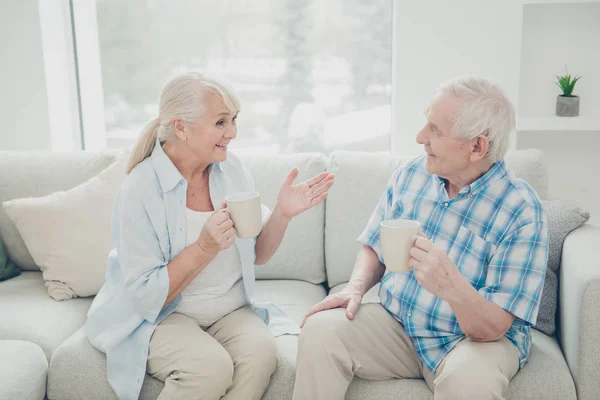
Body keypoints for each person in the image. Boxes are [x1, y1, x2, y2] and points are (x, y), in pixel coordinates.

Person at [293, 75, 548, 400]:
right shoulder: (412, 174)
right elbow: (374, 245)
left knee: (469, 382)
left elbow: (494, 327)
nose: (419, 137)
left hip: (473, 340)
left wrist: (452, 287)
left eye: (435, 131)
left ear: (477, 146)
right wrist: (354, 288)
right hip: (398, 323)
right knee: (320, 332)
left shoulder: (521, 211)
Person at [84, 72, 335, 400]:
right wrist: (204, 247)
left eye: (233, 120)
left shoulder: (231, 169)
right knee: (209, 367)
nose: (232, 133)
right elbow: (146, 296)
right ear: (180, 127)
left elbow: (257, 253)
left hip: (229, 310)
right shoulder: (139, 191)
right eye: (220, 122)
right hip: (164, 315)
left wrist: (282, 214)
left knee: (261, 354)